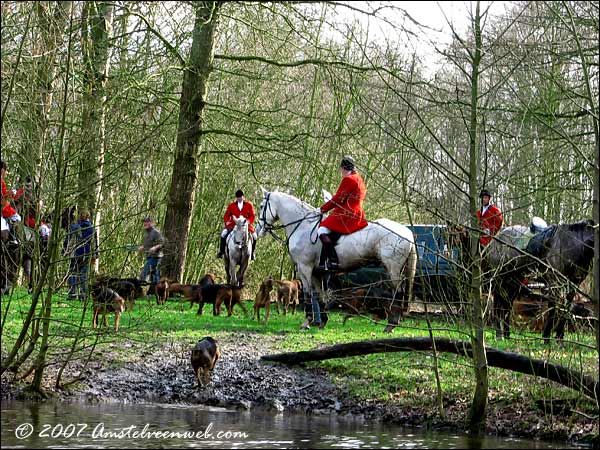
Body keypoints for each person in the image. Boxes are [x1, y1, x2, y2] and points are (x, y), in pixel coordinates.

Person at [317, 156, 368, 271]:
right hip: (357, 213)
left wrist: (322, 209)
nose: (341, 171)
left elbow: (337, 199)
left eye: (341, 169)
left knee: (321, 230)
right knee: (331, 231)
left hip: (346, 214)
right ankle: (325, 261)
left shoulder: (349, 179)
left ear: (344, 168)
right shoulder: (359, 179)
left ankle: (333, 260)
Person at [63, 209, 98, 300]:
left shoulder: (74, 227)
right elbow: (94, 244)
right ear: (88, 217)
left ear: (80, 216)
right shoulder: (92, 229)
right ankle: (83, 296)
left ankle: (72, 294)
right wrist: (95, 256)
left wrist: (65, 252)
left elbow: (68, 241)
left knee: (73, 273)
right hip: (86, 254)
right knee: (84, 275)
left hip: (75, 254)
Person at [217, 189, 257, 260]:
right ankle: (221, 252)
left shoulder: (249, 205)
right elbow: (226, 215)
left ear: (243, 197)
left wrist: (248, 221)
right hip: (233, 225)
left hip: (245, 226)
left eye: (240, 197)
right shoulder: (231, 205)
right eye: (238, 197)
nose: (239, 198)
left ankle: (252, 253)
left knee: (255, 236)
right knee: (223, 234)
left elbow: (252, 216)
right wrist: (226, 222)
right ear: (236, 198)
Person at [1, 160, 23, 242]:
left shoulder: (2, 182)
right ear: (2, 170)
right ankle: (13, 239)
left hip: (4, 207)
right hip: (3, 209)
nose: (5, 173)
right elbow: (3, 198)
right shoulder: (1, 182)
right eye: (5, 170)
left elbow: (3, 193)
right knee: (17, 217)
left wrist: (9, 193)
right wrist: (8, 195)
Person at [138, 216, 164, 285]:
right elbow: (146, 244)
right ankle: (156, 290)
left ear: (151, 223)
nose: (145, 223)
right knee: (154, 275)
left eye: (147, 222)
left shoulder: (156, 232)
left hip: (156, 256)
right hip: (149, 256)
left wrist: (155, 248)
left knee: (145, 271)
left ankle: (139, 284)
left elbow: (162, 243)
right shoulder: (146, 233)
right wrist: (142, 247)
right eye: (144, 222)